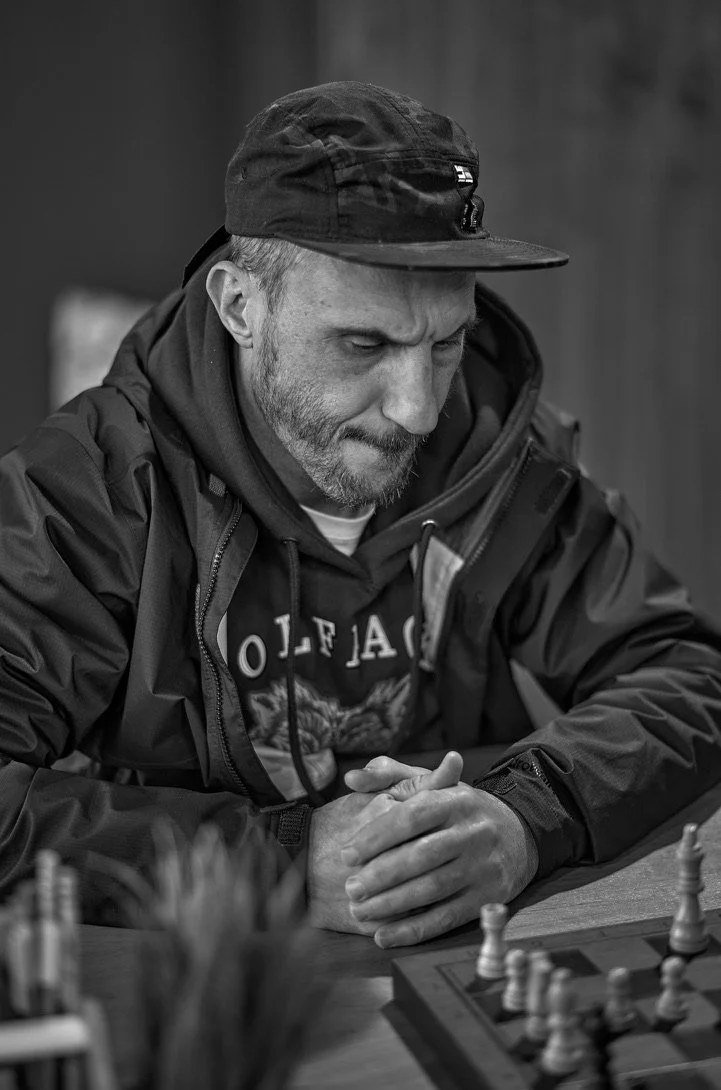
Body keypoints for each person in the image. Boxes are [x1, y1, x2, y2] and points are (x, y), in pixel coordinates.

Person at [1, 81, 720, 949]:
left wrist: (525, 815)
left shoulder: (496, 449)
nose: (418, 409)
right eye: (363, 343)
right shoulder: (88, 488)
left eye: (445, 342)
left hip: (452, 952)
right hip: (201, 967)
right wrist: (278, 863)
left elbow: (685, 671)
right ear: (241, 306)